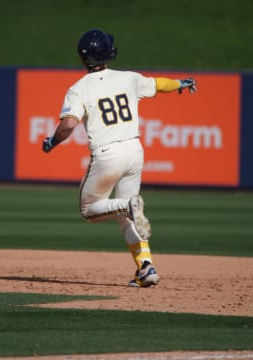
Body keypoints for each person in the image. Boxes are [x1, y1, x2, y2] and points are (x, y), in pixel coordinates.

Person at [41, 29, 196, 287]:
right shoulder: (128, 78)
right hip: (134, 151)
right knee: (127, 216)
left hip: (108, 154)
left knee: (90, 210)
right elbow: (158, 84)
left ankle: (128, 207)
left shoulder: (78, 89)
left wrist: (51, 142)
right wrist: (180, 83)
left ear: (83, 59)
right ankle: (146, 268)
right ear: (108, 54)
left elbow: (68, 125)